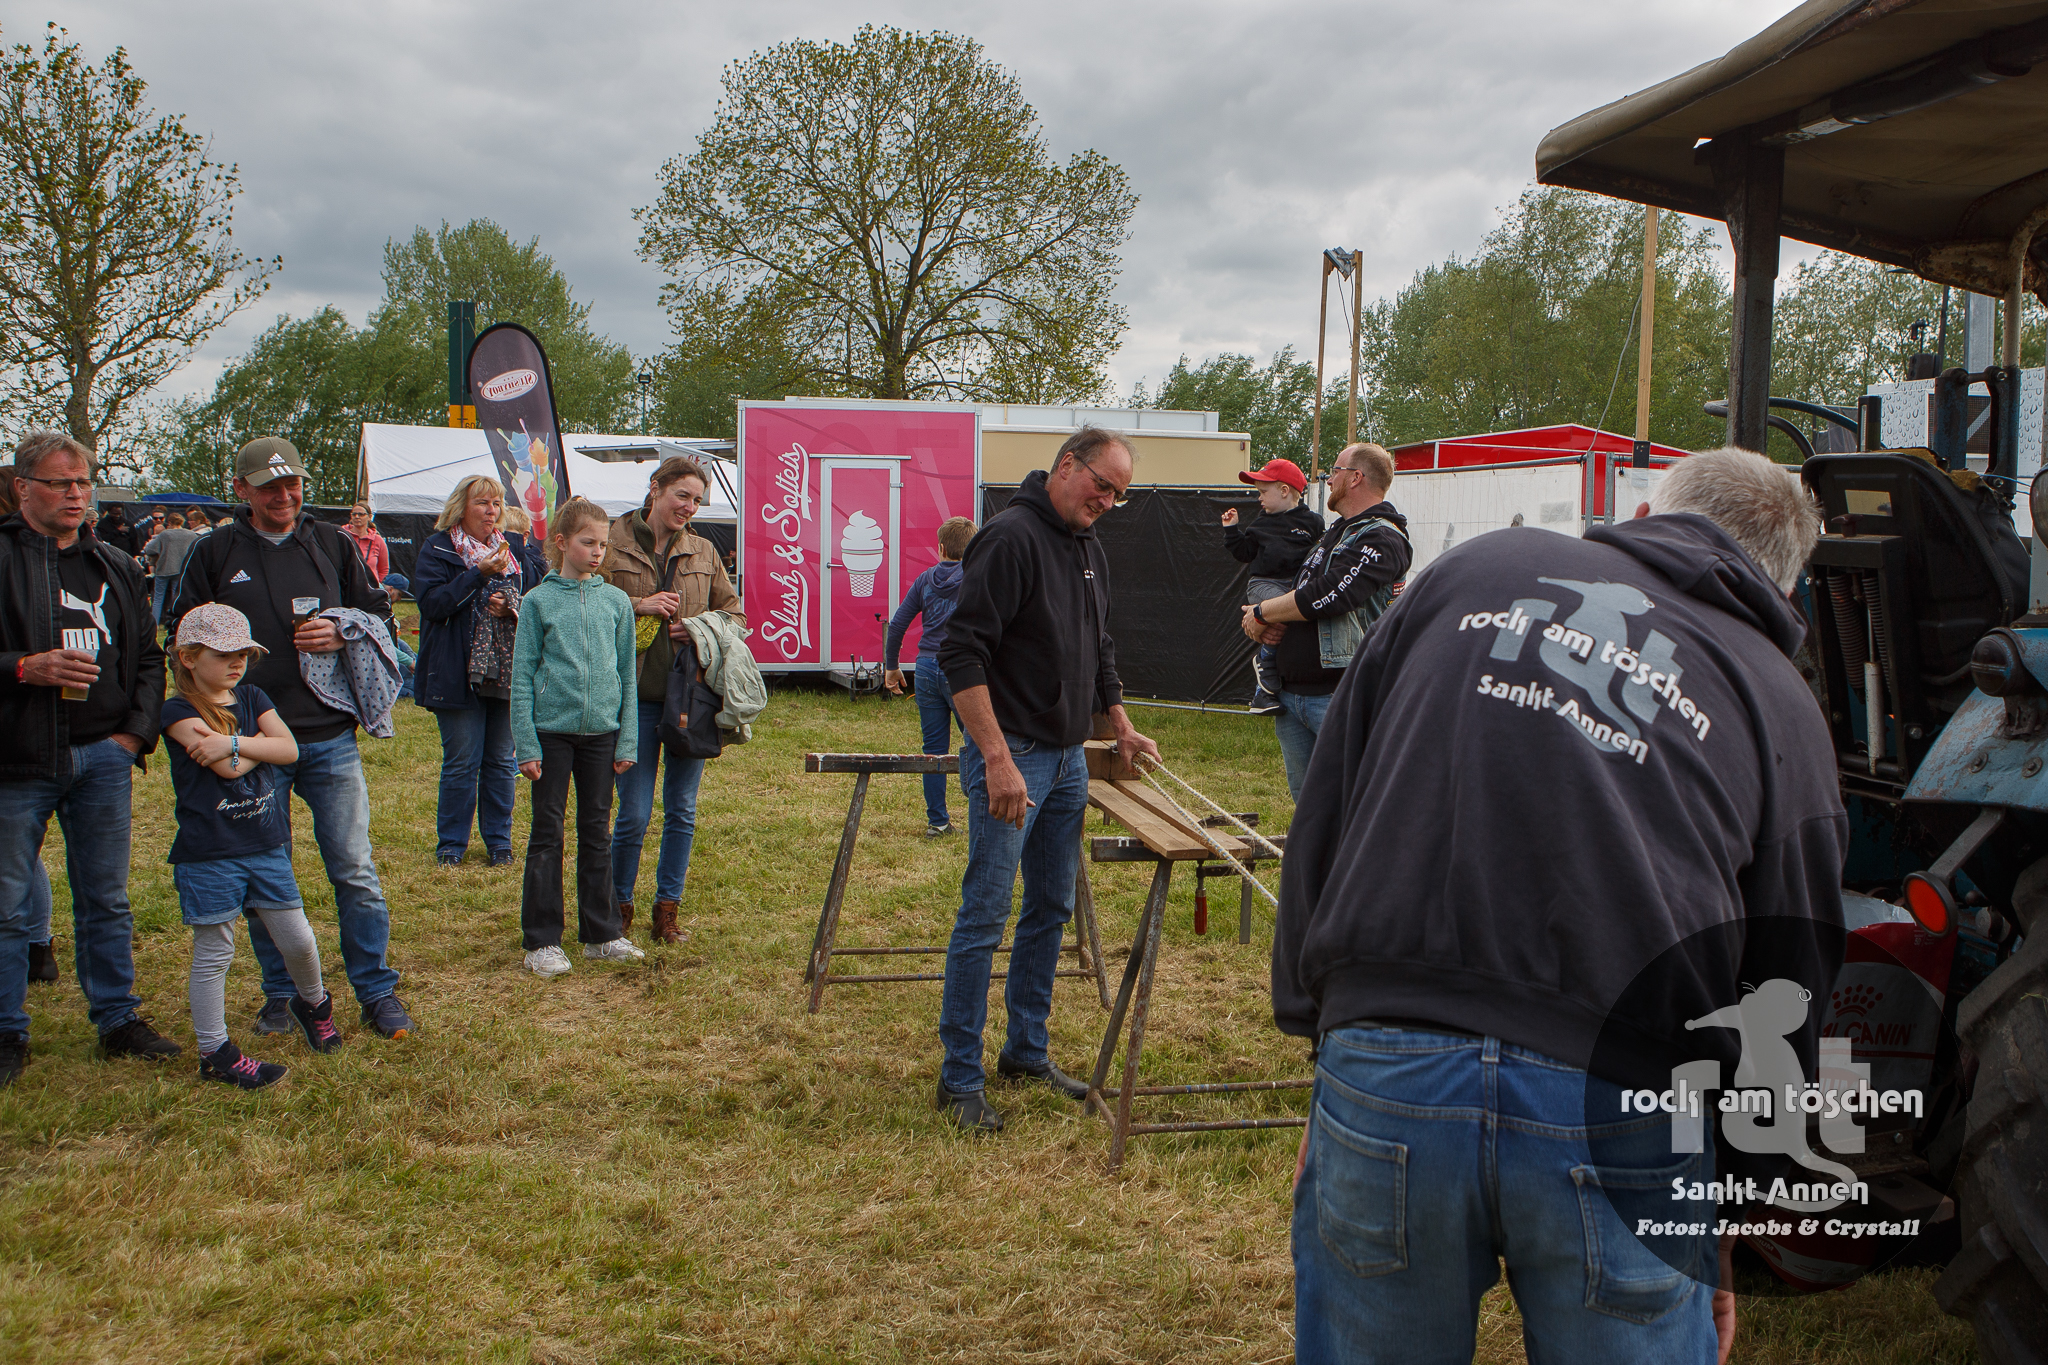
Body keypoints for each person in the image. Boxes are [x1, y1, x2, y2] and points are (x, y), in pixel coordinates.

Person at [1273, 447, 1846, 1365]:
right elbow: (1792, 975)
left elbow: (1329, 808)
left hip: (1391, 1067)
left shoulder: (1472, 573)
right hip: (1626, 1100)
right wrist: (1722, 1210)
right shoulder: (1783, 703)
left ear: (1649, 511)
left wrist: (1330, 1045)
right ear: (1784, 581)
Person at [933, 427, 1161, 1134]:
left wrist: (1119, 723)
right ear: (1067, 465)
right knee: (986, 913)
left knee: (1051, 908)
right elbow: (960, 653)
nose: (1108, 502)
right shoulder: (1008, 539)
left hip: (1067, 759)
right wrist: (996, 758)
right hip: (1017, 754)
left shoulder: (1088, 545)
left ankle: (1025, 1052)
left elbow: (1099, 645)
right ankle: (958, 1079)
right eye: (1103, 486)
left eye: (1119, 495)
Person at [169, 436, 413, 1043]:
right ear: (241, 489)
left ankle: (376, 991)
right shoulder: (214, 550)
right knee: (264, 875)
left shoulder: (332, 542)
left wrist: (342, 632)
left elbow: (381, 616)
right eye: (270, 487)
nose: (285, 496)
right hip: (252, 743)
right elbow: (181, 632)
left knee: (354, 870)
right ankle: (282, 993)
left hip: (328, 736)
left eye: (293, 484)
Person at [0, 431, 177, 1089]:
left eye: (83, 482)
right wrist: (24, 667)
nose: (76, 494)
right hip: (16, 759)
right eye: (60, 483)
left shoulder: (115, 564)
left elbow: (149, 657)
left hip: (103, 756)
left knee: (106, 898)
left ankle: (117, 1019)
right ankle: (7, 1030)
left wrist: (133, 736)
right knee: (7, 905)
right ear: (23, 487)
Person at [162, 603, 342, 1089]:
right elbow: (229, 768)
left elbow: (290, 750)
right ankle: (214, 1051)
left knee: (299, 940)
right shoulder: (178, 710)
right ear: (188, 658)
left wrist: (233, 743)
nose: (237, 663)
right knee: (215, 951)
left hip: (265, 845)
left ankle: (313, 1005)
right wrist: (255, 744)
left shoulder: (252, 695)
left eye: (242, 653)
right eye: (223, 654)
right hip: (210, 852)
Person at [603, 455, 742, 945]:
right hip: (632, 700)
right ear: (655, 488)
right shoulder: (610, 542)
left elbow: (735, 615)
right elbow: (582, 602)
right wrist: (636, 605)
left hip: (690, 701)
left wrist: (701, 628)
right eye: (682, 495)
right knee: (634, 813)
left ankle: (667, 911)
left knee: (682, 810)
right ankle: (617, 908)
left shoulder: (704, 550)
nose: (689, 507)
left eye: (697, 500)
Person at [511, 498, 642, 978]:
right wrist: (527, 743)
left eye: (604, 544)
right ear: (562, 543)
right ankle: (542, 941)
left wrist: (627, 739)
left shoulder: (617, 603)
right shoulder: (537, 602)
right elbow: (522, 675)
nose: (598, 552)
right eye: (589, 542)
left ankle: (602, 934)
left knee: (597, 832)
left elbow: (626, 675)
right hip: (551, 734)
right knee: (547, 833)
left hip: (603, 735)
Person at [1241, 443, 1411, 800]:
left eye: (1335, 471)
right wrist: (1271, 626)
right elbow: (1301, 592)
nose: (1328, 479)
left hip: (1341, 697)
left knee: (1358, 807)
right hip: (1292, 697)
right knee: (1309, 811)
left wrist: (1262, 612)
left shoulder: (1382, 536)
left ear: (1356, 477)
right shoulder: (1333, 533)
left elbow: (1329, 594)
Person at [412, 475, 539, 867]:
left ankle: (499, 843)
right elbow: (432, 605)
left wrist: (510, 603)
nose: (491, 511)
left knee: (501, 762)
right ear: (461, 508)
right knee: (462, 763)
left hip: (505, 670)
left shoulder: (512, 547)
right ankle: (452, 845)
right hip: (456, 670)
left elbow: (537, 596)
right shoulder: (437, 547)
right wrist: (477, 574)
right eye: (483, 503)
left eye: (496, 503)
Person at [884, 516, 977, 836]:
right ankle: (981, 813)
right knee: (978, 742)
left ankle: (937, 823)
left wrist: (892, 666)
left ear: (940, 548)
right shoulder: (976, 577)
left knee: (933, 749)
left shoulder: (925, 579)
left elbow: (897, 624)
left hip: (925, 668)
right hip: (962, 668)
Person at [1221, 458, 1322, 714]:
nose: (1259, 498)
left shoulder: (1313, 522)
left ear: (1285, 490)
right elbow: (1245, 552)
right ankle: (1265, 660)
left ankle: (1264, 693)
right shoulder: (1260, 523)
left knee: (1296, 619)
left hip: (1296, 586)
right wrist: (1231, 531)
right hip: (1264, 584)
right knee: (1284, 610)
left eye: (1263, 492)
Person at [142, 508, 203, 626]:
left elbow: (149, 549)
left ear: (169, 522)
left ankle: (154, 623)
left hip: (164, 569)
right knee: (175, 597)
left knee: (158, 598)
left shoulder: (165, 534)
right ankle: (174, 622)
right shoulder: (190, 534)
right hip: (180, 569)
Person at [343, 503, 389, 583]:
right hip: (346, 585)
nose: (357, 517)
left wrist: (375, 584)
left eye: (361, 514)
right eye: (354, 514)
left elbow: (384, 569)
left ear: (369, 517)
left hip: (369, 587)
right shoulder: (342, 536)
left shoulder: (378, 540)